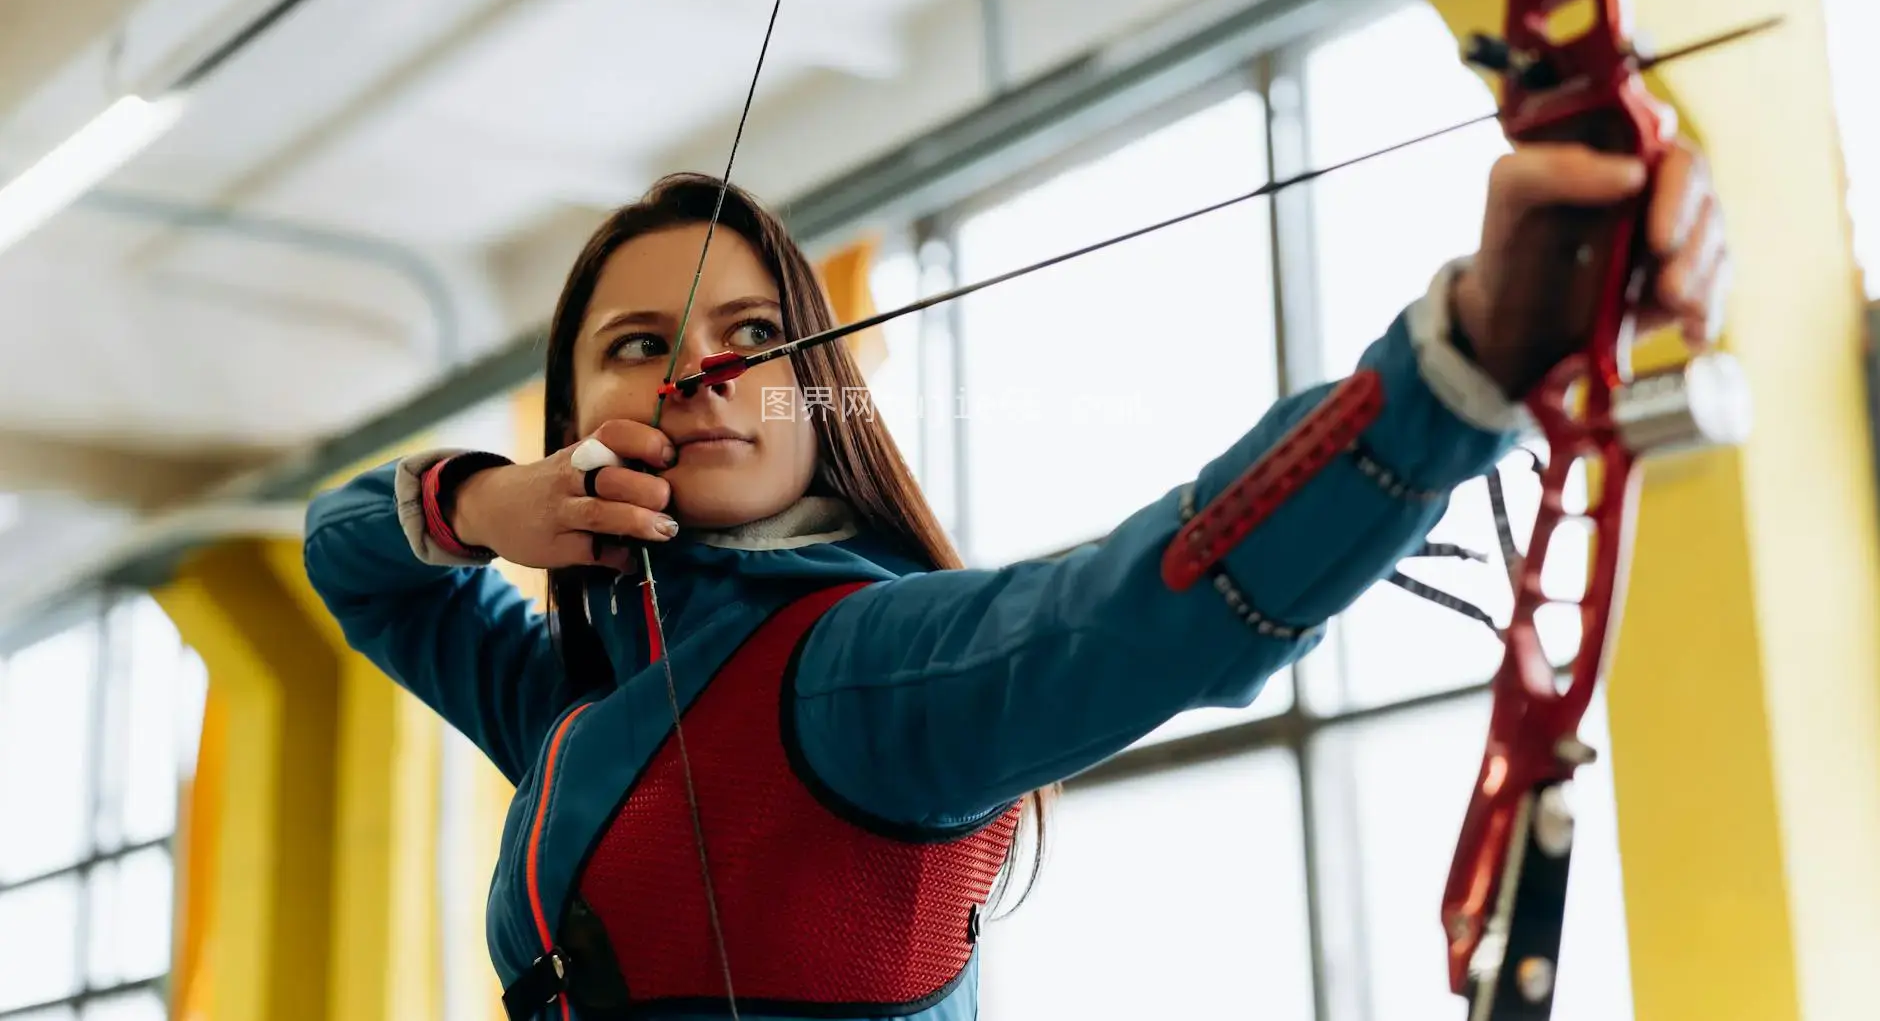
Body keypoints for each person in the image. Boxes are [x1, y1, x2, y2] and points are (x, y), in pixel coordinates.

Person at [303, 141, 1728, 1021]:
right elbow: (352, 558)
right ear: (572, 408)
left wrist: (1463, 357)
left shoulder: (852, 674)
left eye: (756, 334)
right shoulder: (577, 701)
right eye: (636, 344)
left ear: (822, 404)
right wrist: (486, 502)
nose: (700, 371)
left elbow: (1139, 608)